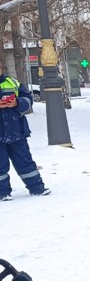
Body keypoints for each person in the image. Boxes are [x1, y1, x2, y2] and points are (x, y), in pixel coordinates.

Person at [0, 67, 50, 200]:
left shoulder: (13, 83)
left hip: (17, 133)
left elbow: (28, 100)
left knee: (25, 162)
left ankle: (37, 188)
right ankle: (3, 193)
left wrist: (17, 102)